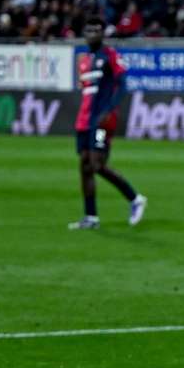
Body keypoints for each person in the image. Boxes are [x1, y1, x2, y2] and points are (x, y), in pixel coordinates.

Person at [69, 15, 146, 230]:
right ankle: (91, 217)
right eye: (89, 30)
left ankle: (135, 198)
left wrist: (109, 110)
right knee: (85, 166)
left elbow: (123, 85)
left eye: (96, 30)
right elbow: (87, 90)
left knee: (97, 164)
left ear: (103, 33)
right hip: (84, 121)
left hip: (102, 120)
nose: (92, 34)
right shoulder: (84, 59)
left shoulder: (110, 55)